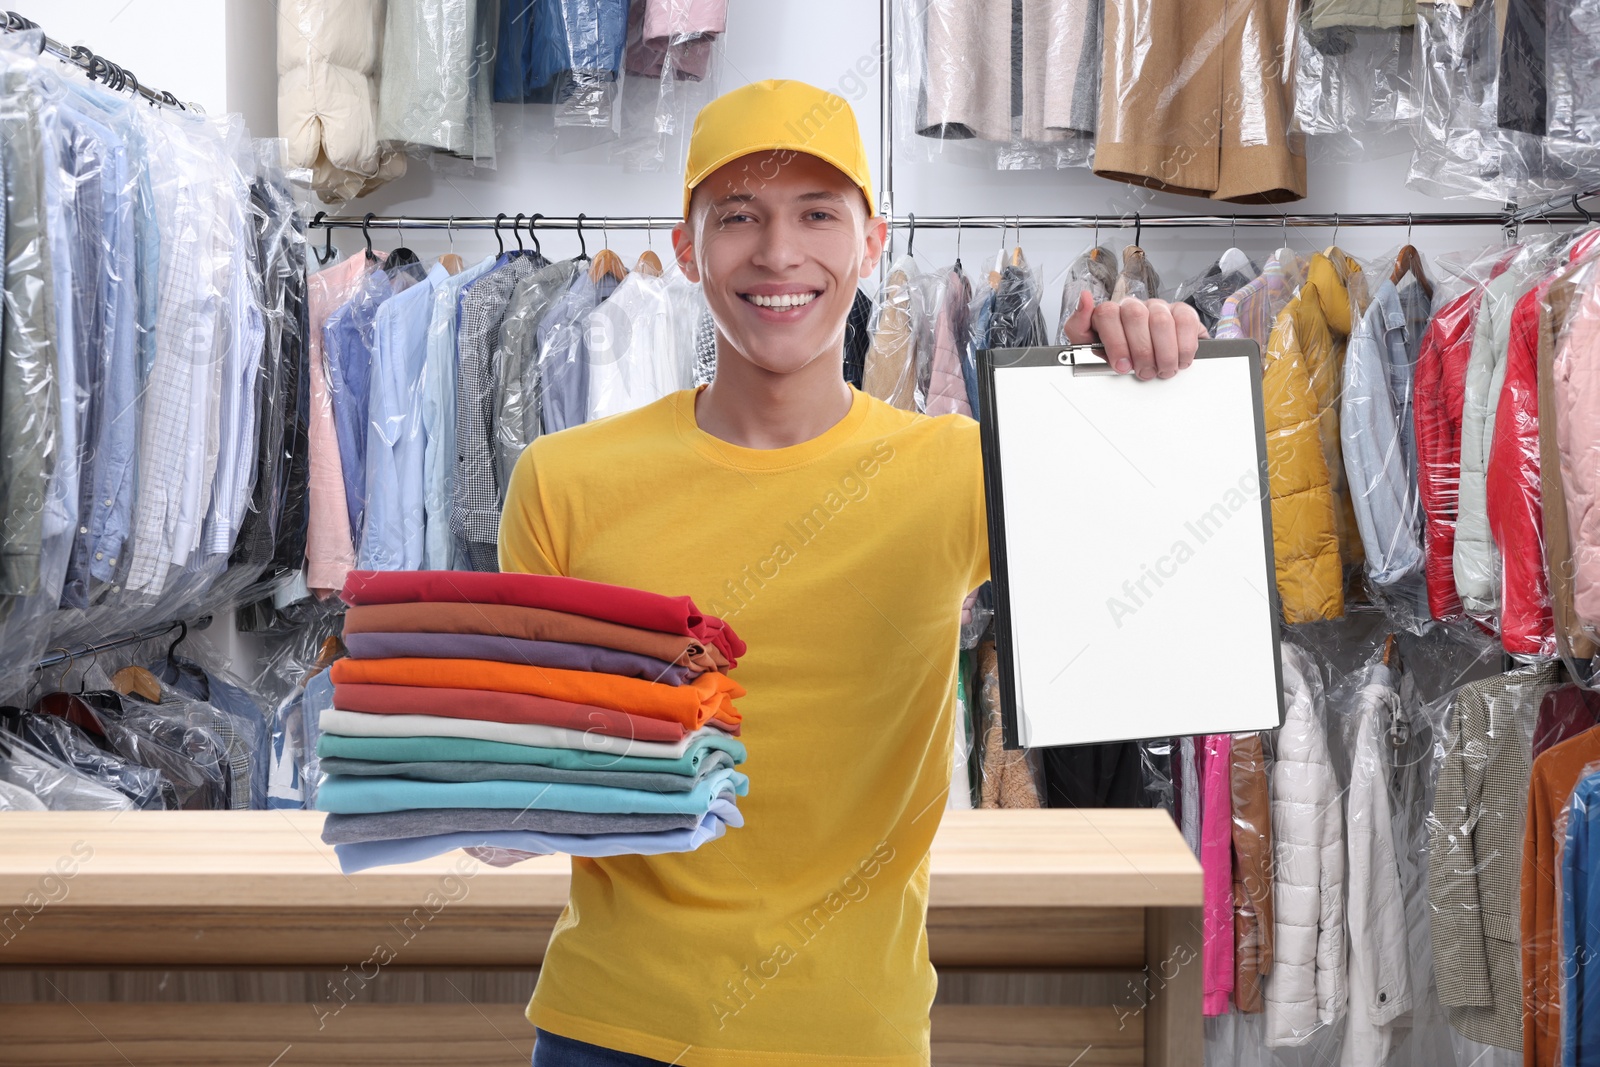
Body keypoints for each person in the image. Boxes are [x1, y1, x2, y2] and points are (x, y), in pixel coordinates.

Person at [500, 79, 1207, 1067]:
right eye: (737, 216)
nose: (779, 252)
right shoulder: (562, 483)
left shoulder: (960, 468)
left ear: (871, 241)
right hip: (609, 1030)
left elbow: (1165, 619)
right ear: (688, 244)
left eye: (816, 215)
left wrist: (1146, 394)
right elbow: (511, 796)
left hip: (853, 1039)